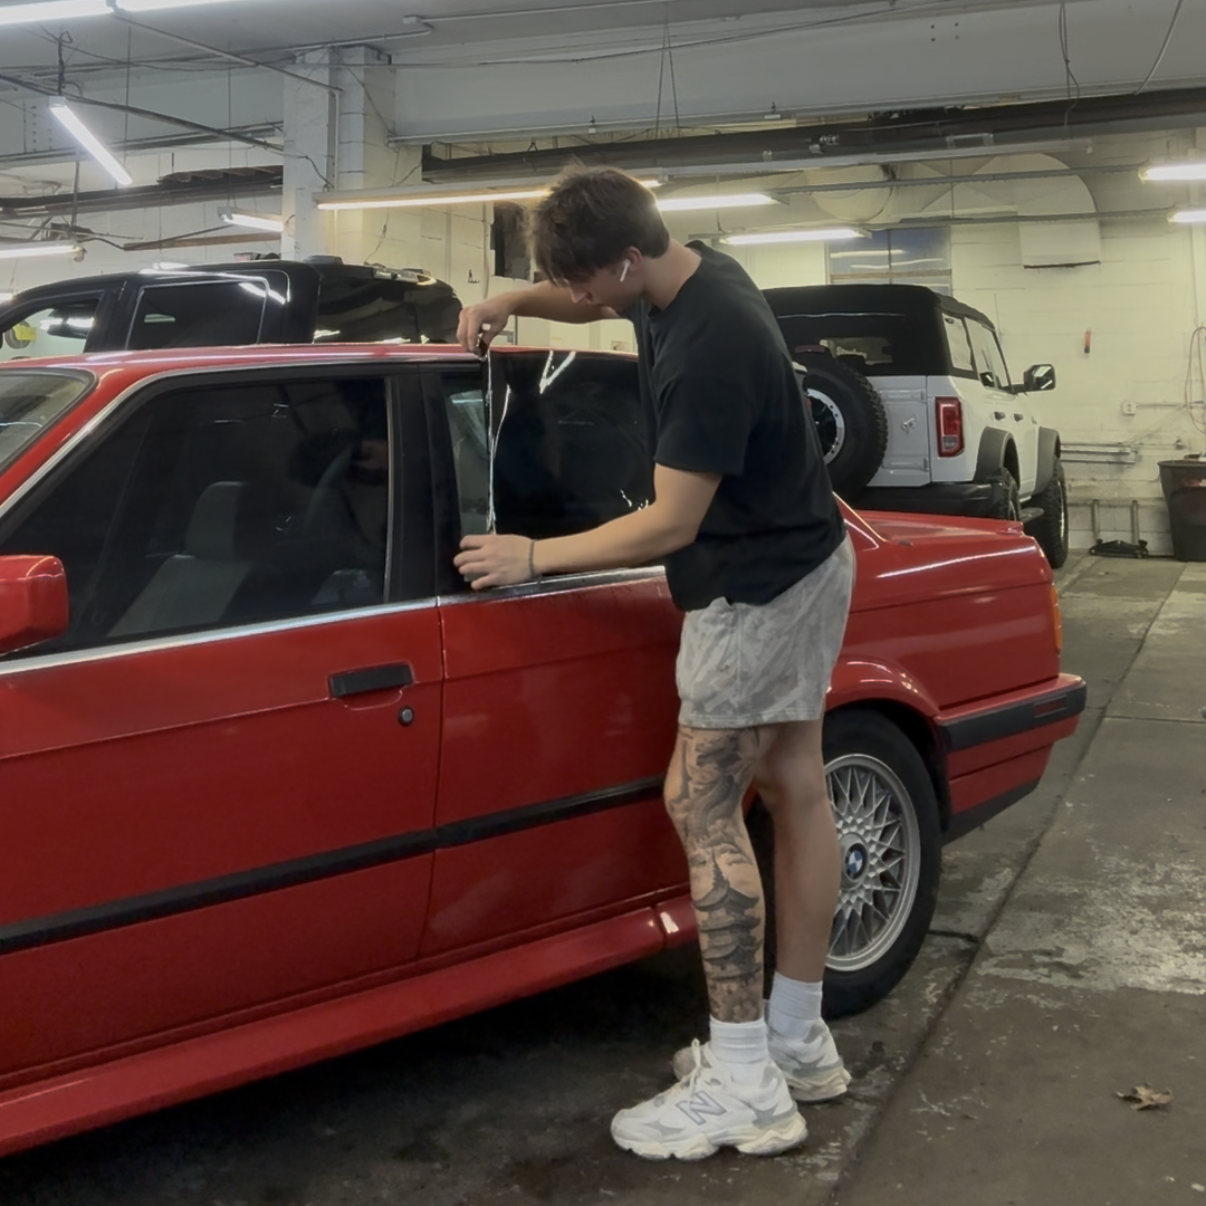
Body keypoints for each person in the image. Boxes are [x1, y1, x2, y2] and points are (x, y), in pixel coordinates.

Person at [453, 166, 855, 1162]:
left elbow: (672, 521)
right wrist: (509, 299)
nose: (579, 297)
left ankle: (744, 1081)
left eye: (584, 280)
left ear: (629, 258)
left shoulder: (710, 346)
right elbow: (589, 302)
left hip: (754, 589)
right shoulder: (686, 276)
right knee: (796, 784)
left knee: (700, 803)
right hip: (804, 559)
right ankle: (796, 1040)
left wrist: (533, 557)